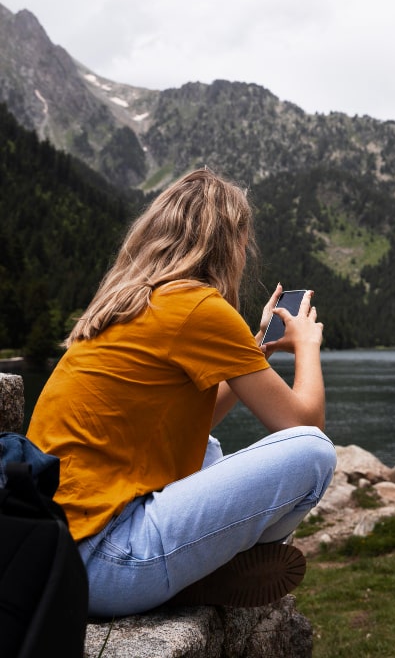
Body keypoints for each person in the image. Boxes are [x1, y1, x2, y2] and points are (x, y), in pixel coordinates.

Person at [27, 167, 337, 617]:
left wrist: (255, 349)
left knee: (203, 447)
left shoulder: (130, 302)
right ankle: (215, 569)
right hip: (105, 565)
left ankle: (201, 571)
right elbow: (305, 423)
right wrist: (307, 346)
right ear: (229, 244)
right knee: (311, 452)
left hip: (58, 554)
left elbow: (190, 421)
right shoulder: (198, 306)